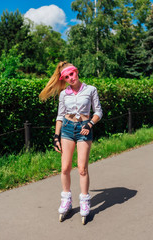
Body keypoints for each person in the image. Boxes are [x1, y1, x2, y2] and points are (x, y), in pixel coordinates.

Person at [39, 61, 103, 223]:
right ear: (64, 78)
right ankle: (66, 200)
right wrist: (56, 136)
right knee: (65, 167)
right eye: (66, 77)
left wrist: (90, 123)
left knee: (82, 168)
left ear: (77, 71)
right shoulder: (63, 94)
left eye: (72, 74)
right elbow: (60, 116)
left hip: (84, 129)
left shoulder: (91, 90)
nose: (70, 78)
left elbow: (98, 112)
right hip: (67, 129)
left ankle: (84, 201)